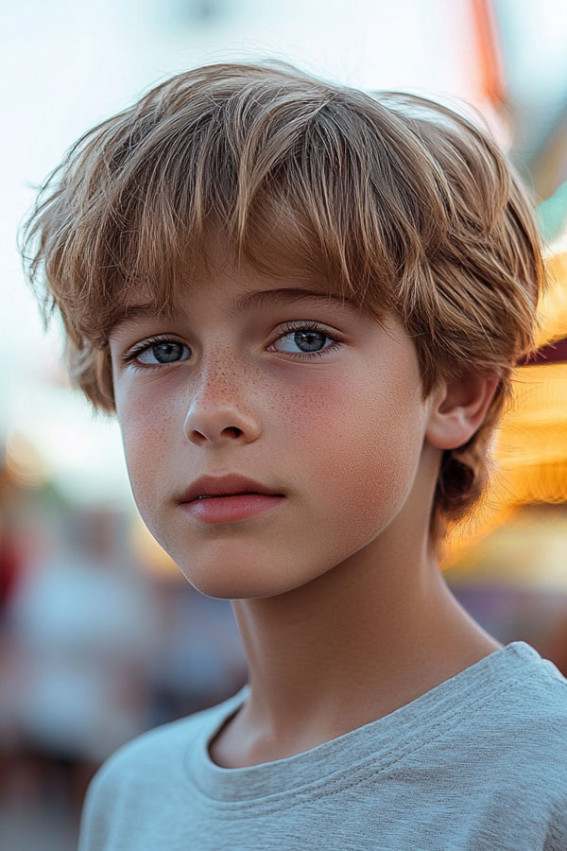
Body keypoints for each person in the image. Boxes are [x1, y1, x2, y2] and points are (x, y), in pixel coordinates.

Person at [22, 62, 567, 850]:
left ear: (454, 390)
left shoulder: (541, 785)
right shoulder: (128, 797)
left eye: (303, 336)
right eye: (159, 348)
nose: (212, 409)